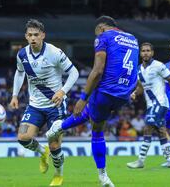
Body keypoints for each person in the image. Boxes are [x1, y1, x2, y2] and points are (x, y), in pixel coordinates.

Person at [47, 15, 139, 187]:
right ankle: (58, 128)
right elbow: (135, 67)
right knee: (95, 115)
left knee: (97, 129)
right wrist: (131, 90)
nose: (96, 36)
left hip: (106, 91)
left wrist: (83, 98)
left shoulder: (103, 37)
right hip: (124, 94)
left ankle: (102, 175)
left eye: (96, 32)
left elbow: (97, 71)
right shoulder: (133, 39)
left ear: (102, 28)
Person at [9, 19, 79, 186]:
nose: (33, 38)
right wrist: (14, 95)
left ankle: (58, 174)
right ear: (26, 36)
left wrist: (62, 92)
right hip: (35, 105)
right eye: (30, 35)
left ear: (43, 35)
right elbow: (19, 74)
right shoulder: (22, 54)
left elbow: (74, 72)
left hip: (55, 106)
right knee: (23, 138)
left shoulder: (54, 52)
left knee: (55, 146)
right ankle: (42, 151)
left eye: (36, 35)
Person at [126, 42, 170, 169]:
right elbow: (141, 87)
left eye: (148, 51)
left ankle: (140, 160)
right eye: (143, 51)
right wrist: (134, 93)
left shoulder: (158, 65)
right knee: (161, 131)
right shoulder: (138, 69)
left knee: (148, 128)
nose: (146, 53)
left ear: (152, 53)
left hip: (160, 103)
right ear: (140, 53)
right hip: (151, 104)